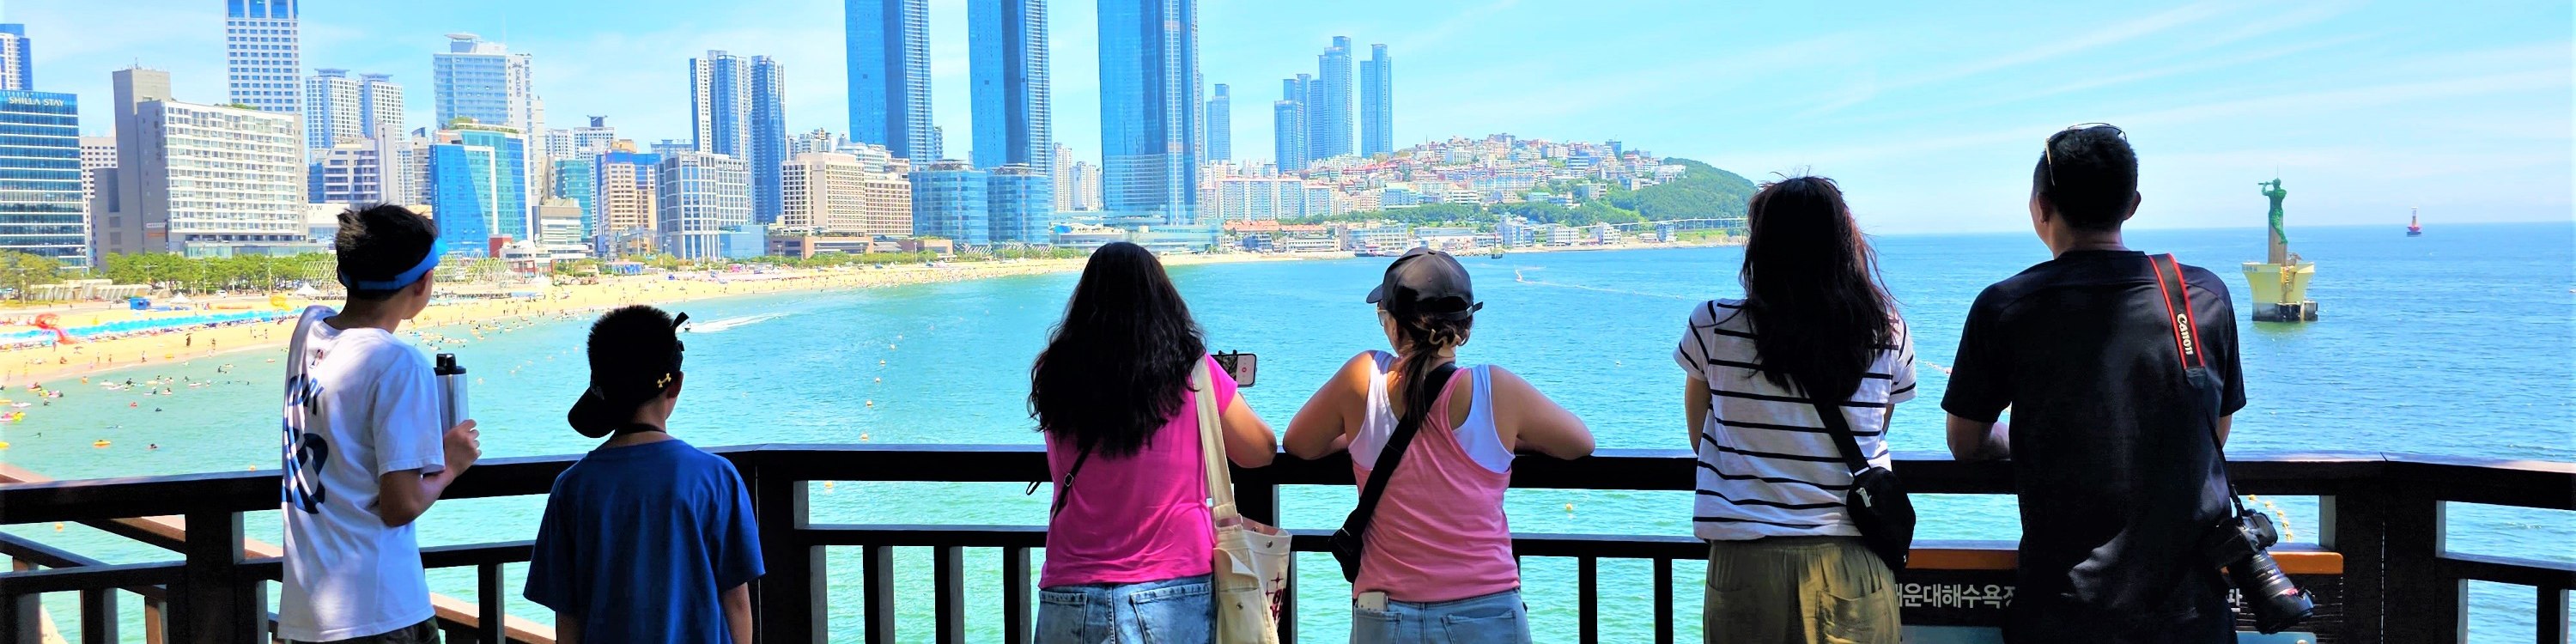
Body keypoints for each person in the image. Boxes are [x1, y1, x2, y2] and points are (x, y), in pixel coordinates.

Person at [1944, 124, 2246, 642]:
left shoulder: (2006, 306)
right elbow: (2214, 433)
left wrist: (2015, 437)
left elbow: (1966, 442)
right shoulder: (2201, 297)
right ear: (2133, 204)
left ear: (2040, 207)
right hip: (2190, 611)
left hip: (2065, 610)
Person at [1284, 247, 1594, 644]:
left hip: (1386, 609)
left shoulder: (1364, 378)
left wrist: (1357, 435)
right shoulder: (1495, 389)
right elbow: (1579, 443)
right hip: (1487, 606)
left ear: (1394, 325)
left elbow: (1300, 444)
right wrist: (1510, 438)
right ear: (1465, 329)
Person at [1677, 176, 1913, 643]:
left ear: (1760, 246)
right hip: (1852, 558)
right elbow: (1876, 428)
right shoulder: (1886, 331)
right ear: (1845, 244)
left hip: (1746, 563)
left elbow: (1700, 432)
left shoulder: (1713, 325)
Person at [1030, 242, 1277, 643]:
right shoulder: (1193, 371)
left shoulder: (1056, 370)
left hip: (1070, 588)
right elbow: (1260, 450)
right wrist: (1225, 387)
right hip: (1171, 585)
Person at [278, 204, 481, 644]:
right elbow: (400, 504)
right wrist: (452, 463)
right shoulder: (398, 362)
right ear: (424, 282)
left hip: (307, 611)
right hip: (378, 611)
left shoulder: (309, 329)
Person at [525, 306, 763, 643]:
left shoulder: (573, 487)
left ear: (600, 388)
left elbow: (568, 617)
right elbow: (736, 601)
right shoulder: (717, 478)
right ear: (675, 385)